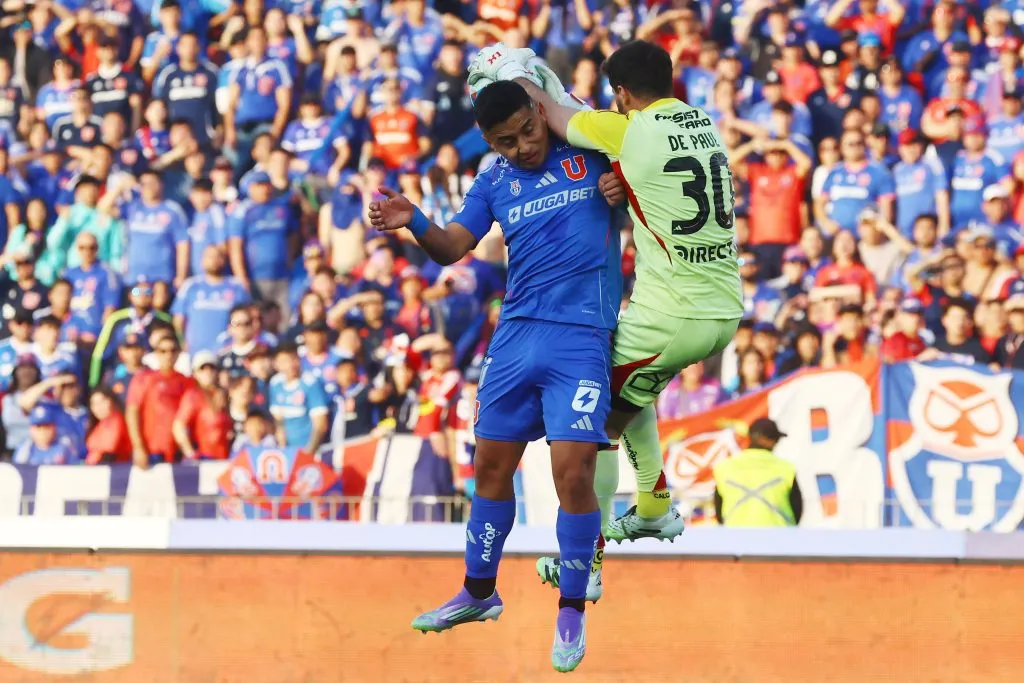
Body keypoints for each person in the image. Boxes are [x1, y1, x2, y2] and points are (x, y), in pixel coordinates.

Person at [368, 80, 625, 671]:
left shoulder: (586, 151)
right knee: (489, 465)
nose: (524, 148)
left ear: (541, 113)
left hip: (580, 336)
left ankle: (570, 610)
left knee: (573, 469)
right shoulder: (494, 178)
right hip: (514, 338)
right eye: (506, 142)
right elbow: (453, 246)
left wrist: (623, 189)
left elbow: (646, 181)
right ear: (488, 140)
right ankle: (479, 593)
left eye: (529, 132)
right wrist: (415, 220)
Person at [483, 42, 743, 551]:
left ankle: (589, 558)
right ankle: (651, 507)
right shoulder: (703, 124)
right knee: (625, 386)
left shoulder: (629, 131)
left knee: (592, 424)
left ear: (622, 93)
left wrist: (519, 75)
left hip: (674, 316)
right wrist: (621, 183)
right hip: (722, 306)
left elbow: (557, 115)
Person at [712, 418, 803, 527]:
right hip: (778, 539)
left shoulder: (724, 468)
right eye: (776, 439)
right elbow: (797, 509)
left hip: (736, 539)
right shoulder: (786, 468)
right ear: (769, 440)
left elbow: (718, 511)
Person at [125, 332, 195, 467]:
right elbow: (132, 413)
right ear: (156, 353)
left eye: (172, 350)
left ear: (179, 353)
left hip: (179, 453)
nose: (168, 355)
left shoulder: (187, 382)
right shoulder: (144, 379)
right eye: (163, 351)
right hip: (152, 451)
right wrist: (138, 447)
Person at [268, 340, 329, 453]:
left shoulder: (310, 383)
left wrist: (309, 452)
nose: (290, 365)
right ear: (276, 364)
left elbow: (320, 424)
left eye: (293, 359)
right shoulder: (275, 384)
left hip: (310, 451)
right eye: (285, 361)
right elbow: (278, 420)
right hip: (288, 452)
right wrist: (282, 446)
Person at [13, 403, 81, 465]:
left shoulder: (65, 448)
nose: (42, 431)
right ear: (31, 430)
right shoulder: (24, 450)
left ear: (54, 428)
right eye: (38, 427)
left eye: (46, 426)